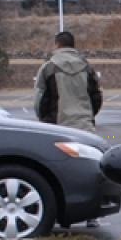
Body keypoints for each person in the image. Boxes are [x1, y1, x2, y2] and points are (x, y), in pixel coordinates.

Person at [34, 30, 103, 226]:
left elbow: (40, 99)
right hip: (84, 125)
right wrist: (88, 115)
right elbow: (96, 96)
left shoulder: (48, 67)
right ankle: (91, 215)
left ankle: (61, 214)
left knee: (56, 169)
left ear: (57, 45)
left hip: (57, 126)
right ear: (73, 45)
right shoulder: (87, 67)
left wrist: (44, 119)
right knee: (89, 168)